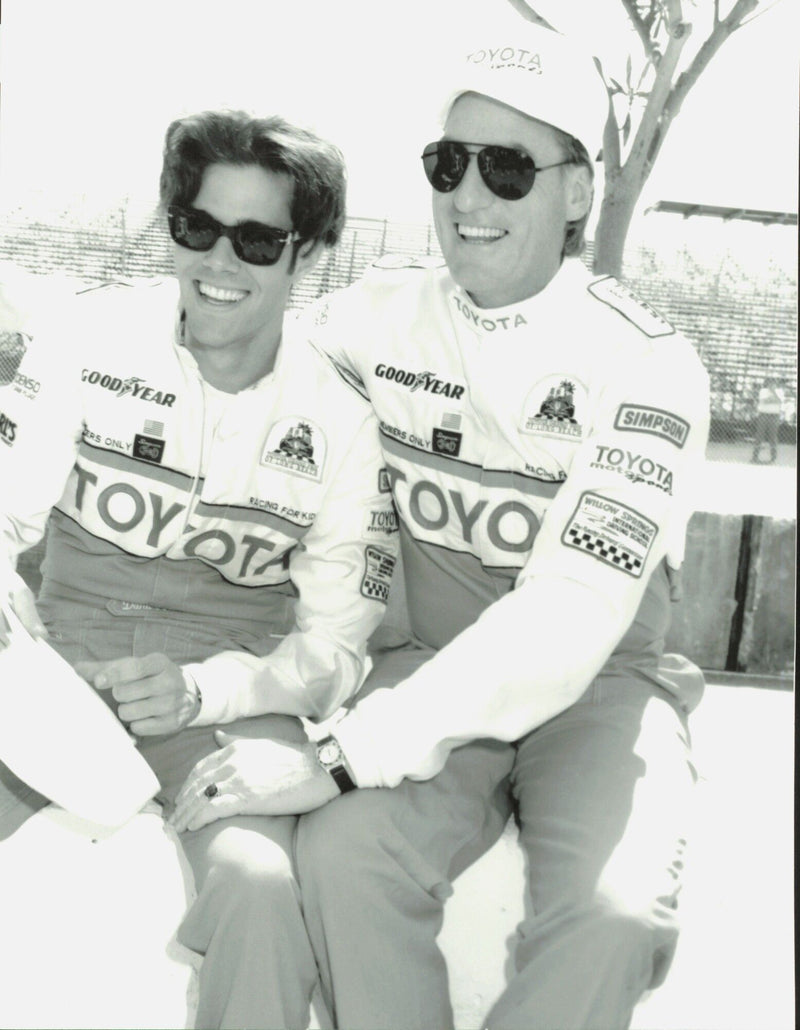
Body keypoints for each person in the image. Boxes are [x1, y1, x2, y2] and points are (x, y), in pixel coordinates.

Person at [172, 24, 711, 1030]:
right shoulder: (374, 316)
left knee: (611, 917)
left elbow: (565, 620)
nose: (467, 197)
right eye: (447, 163)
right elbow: (224, 353)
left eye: (507, 168)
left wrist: (336, 757)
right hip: (420, 658)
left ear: (577, 193)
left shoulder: (648, 367)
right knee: (340, 854)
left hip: (593, 688)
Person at [0, 109, 398, 1030]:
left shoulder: (345, 418)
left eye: (258, 241)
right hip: (57, 669)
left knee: (262, 891)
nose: (220, 265)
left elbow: (336, 647)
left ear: (309, 257)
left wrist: (200, 691)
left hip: (220, 702)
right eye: (198, 229)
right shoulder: (90, 336)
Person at [751, 376, 784, 463]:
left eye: (773, 383)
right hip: (763, 415)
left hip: (774, 415)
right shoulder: (763, 391)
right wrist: (773, 399)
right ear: (767, 383)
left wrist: (774, 393)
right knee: (759, 436)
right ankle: (755, 456)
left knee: (772, 437)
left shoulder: (780, 391)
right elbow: (764, 401)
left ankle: (773, 458)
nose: (771, 384)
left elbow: (779, 401)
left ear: (776, 383)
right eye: (770, 382)